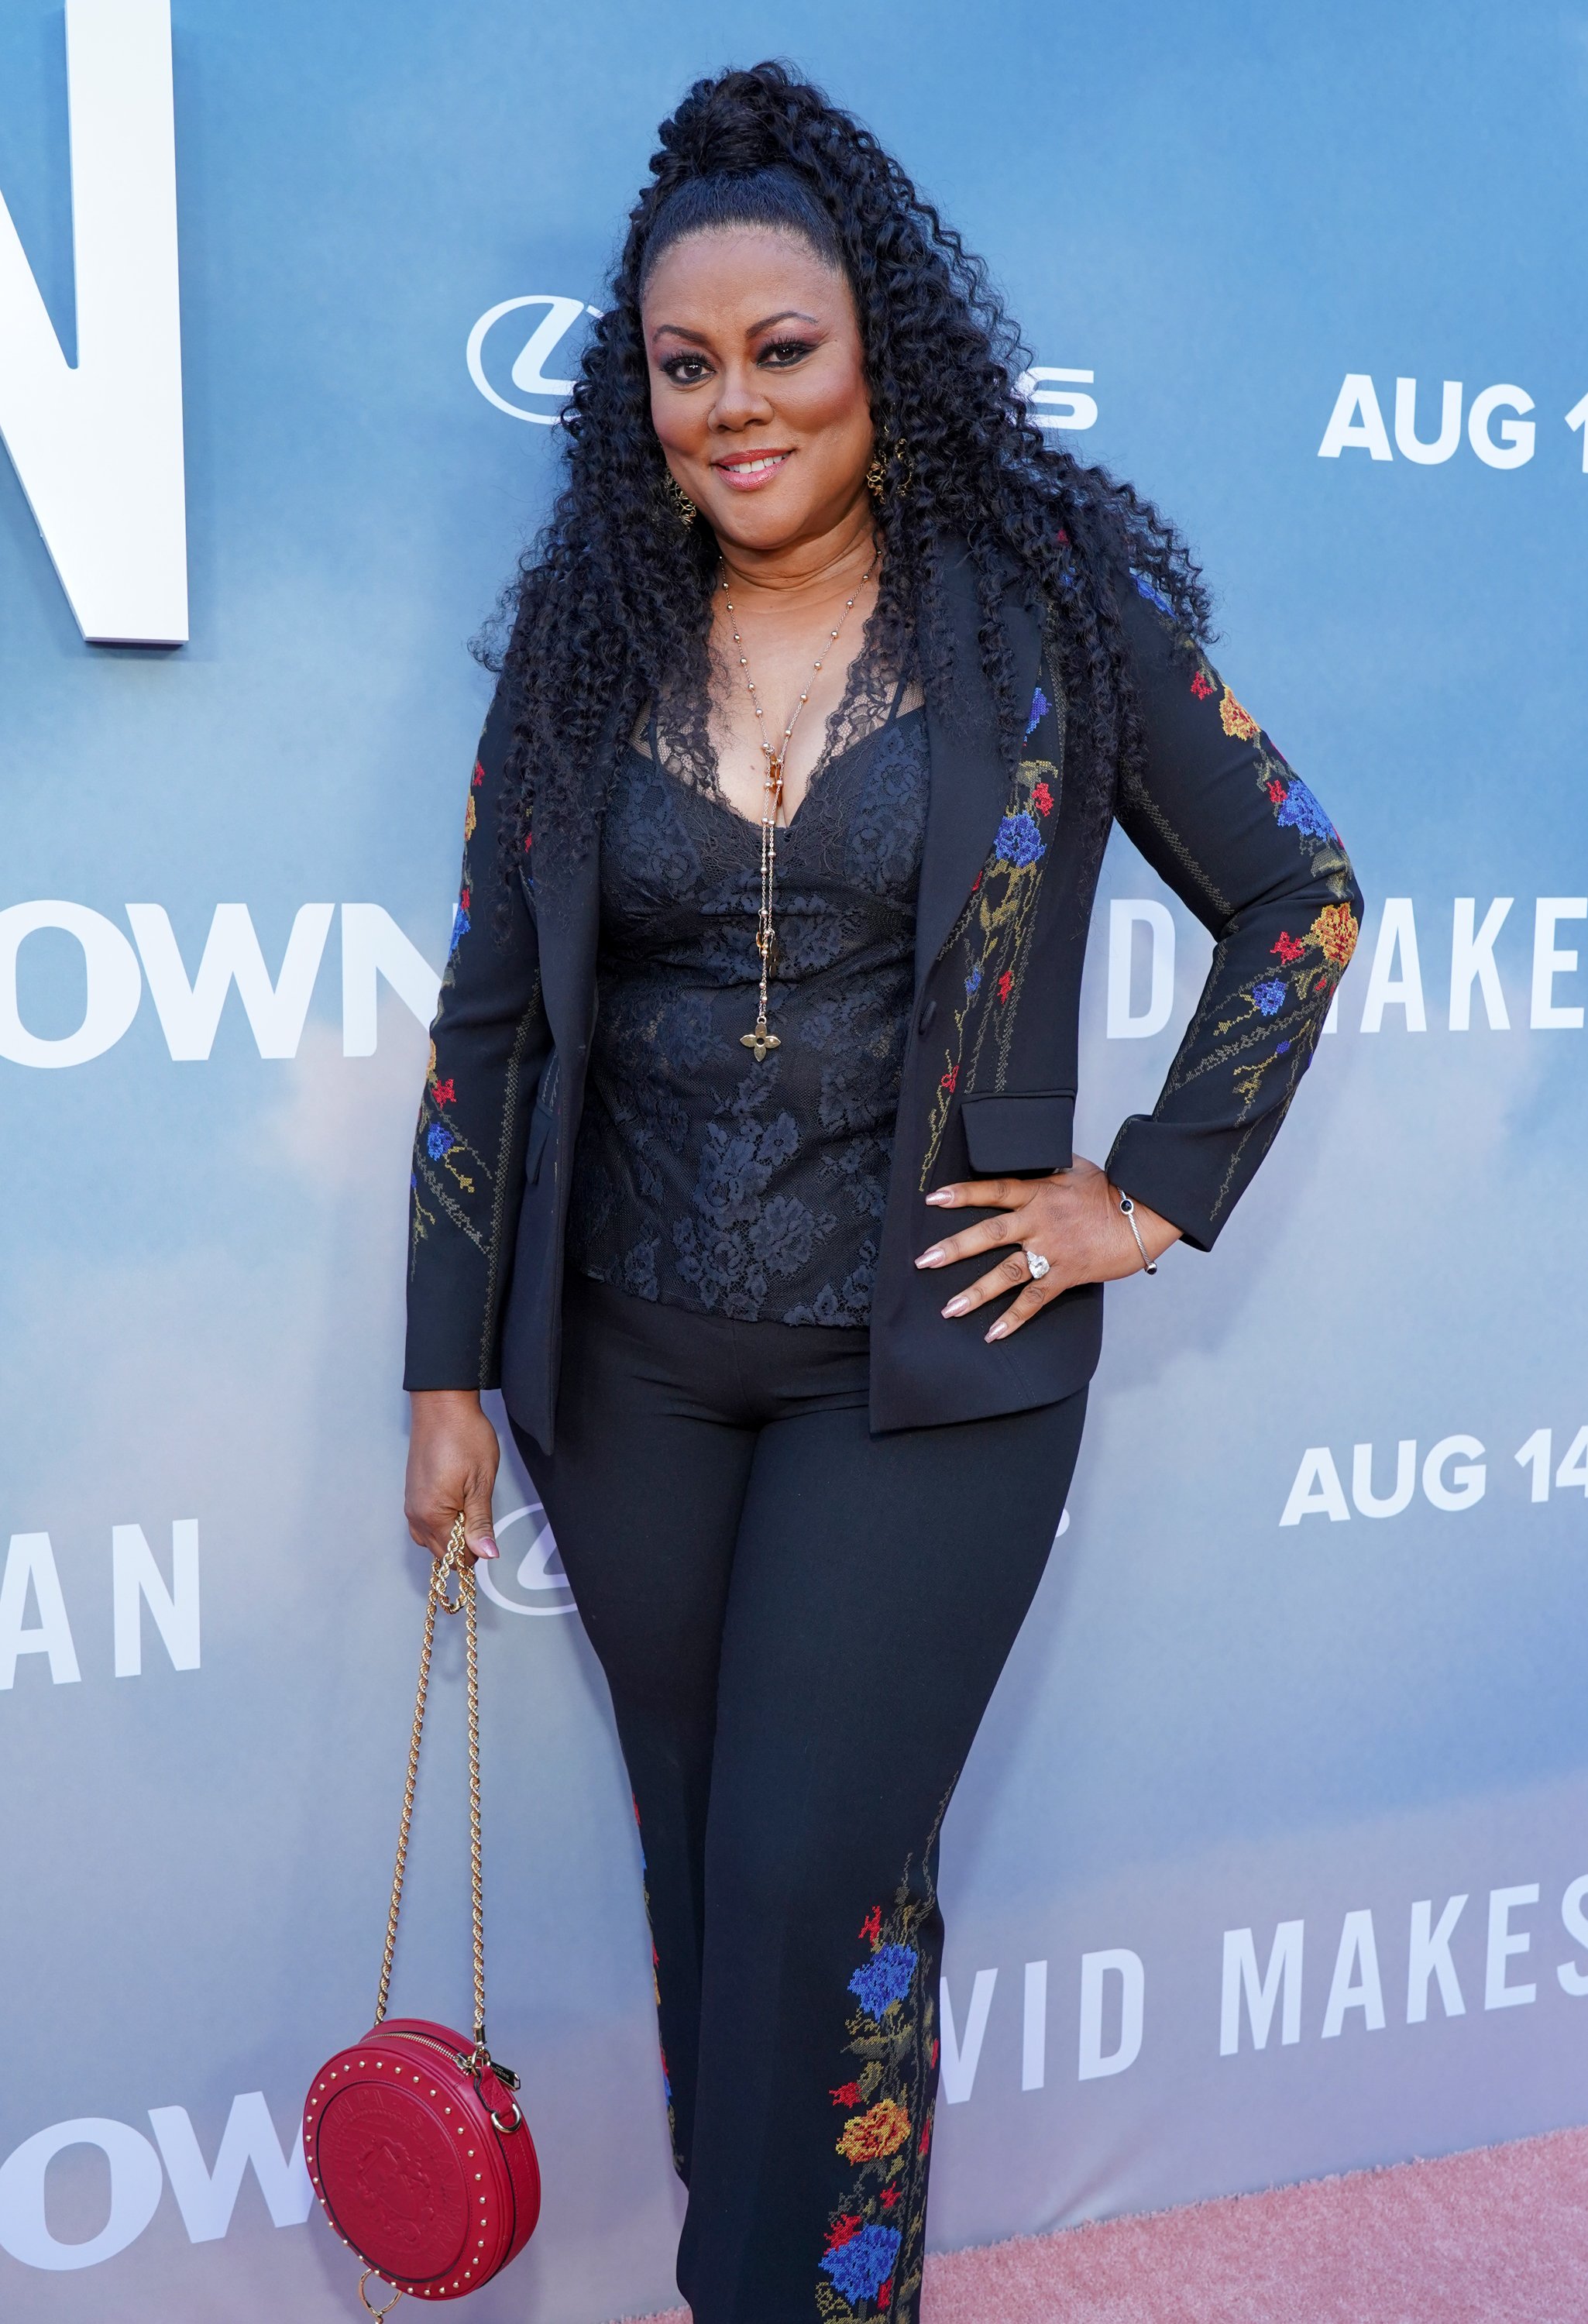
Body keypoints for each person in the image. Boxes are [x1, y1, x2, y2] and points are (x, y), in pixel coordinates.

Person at [401, 60, 1362, 2324]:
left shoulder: (1044, 604)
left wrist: (1141, 1189)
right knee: (712, 1907)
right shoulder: (581, 640)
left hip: (925, 1377)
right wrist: (445, 1378)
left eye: (782, 352)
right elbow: (485, 1033)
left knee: (817, 1878)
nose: (735, 407)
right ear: (637, 391)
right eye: (683, 366)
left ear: (878, 353)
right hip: (626, 1378)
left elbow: (1294, 892)